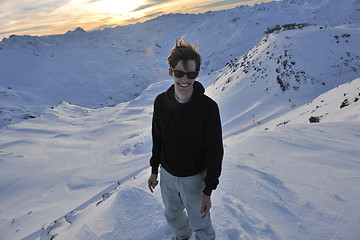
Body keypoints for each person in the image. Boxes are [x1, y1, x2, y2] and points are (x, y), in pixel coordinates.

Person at [147, 36, 224, 240]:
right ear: (171, 71)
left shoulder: (208, 108)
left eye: (191, 74)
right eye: (179, 73)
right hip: (168, 175)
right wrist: (154, 170)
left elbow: (215, 149)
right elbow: (158, 138)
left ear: (197, 74)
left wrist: (208, 189)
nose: (185, 79)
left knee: (201, 221)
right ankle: (183, 236)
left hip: (194, 178)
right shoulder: (161, 103)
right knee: (172, 215)